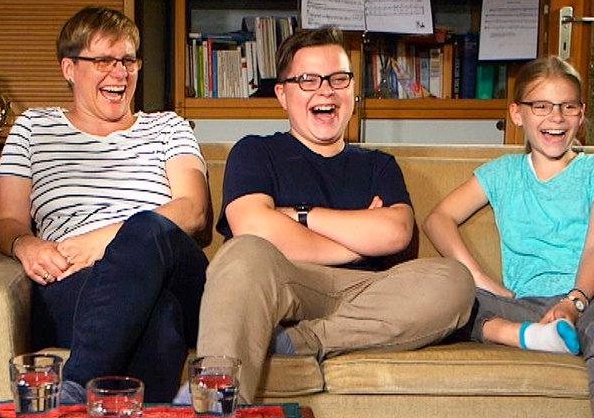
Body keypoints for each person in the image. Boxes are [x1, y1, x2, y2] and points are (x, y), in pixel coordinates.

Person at [189, 26, 475, 404]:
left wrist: (299, 215)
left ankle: (302, 341)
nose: (325, 90)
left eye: (338, 79)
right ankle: (216, 407)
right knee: (242, 254)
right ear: (282, 94)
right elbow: (253, 226)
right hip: (284, 280)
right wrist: (357, 244)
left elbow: (396, 232)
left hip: (365, 293)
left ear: (352, 90)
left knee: (455, 280)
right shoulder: (255, 152)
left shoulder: (378, 165)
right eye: (308, 80)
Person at [0, 6, 210, 403]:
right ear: (69, 68)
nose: (120, 73)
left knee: (146, 227)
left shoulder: (168, 127)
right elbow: (7, 220)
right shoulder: (33, 128)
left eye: (128, 60)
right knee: (161, 315)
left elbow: (193, 211)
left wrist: (102, 243)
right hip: (75, 281)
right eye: (104, 61)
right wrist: (26, 245)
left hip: (170, 266)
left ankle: (74, 390)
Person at [422, 56, 594, 409]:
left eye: (568, 106)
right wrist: (480, 279)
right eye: (541, 106)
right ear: (517, 114)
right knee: (437, 298)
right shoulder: (503, 173)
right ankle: (524, 335)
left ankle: (549, 334)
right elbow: (438, 219)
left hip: (585, 300)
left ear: (581, 113)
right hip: (525, 306)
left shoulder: (590, 170)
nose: (556, 117)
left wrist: (574, 302)